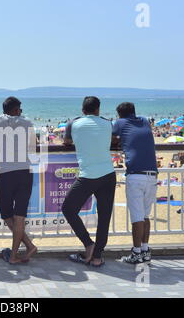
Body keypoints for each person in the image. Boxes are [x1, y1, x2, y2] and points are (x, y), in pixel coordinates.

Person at [62, 96, 117, 267]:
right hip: (108, 174)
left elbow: (66, 141)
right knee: (104, 216)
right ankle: (97, 257)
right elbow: (113, 139)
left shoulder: (73, 123)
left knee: (68, 209)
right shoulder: (108, 123)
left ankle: (88, 244)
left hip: (88, 175)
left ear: (82, 109)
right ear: (98, 109)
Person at [0, 97, 37, 264]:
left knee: (7, 214)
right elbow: (33, 145)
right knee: (19, 216)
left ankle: (17, 253)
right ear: (17, 110)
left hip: (5, 172)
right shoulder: (28, 122)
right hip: (25, 172)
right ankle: (26, 247)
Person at [112, 102, 158, 264]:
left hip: (135, 174)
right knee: (145, 216)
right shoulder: (144, 121)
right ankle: (145, 250)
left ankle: (136, 252)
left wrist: (118, 143)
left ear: (119, 114)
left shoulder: (120, 123)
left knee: (137, 217)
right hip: (152, 174)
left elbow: (110, 138)